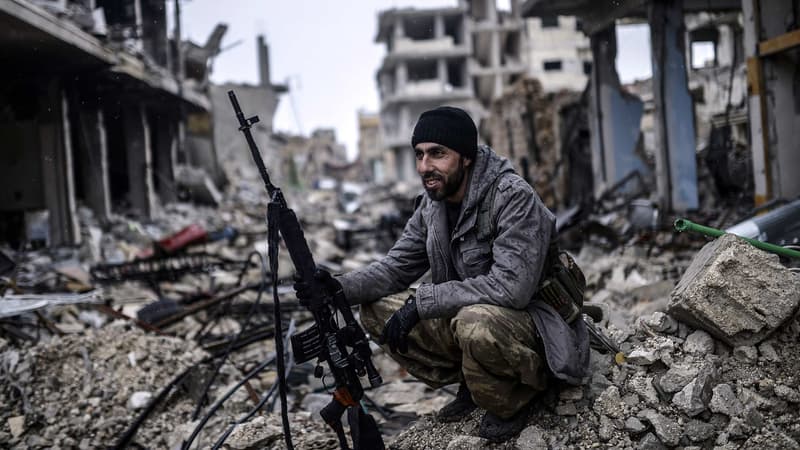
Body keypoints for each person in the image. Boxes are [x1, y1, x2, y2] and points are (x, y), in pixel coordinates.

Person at [295, 106, 589, 442]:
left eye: (437, 154)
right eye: (419, 155)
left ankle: (517, 396)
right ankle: (476, 381)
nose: (425, 167)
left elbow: (513, 288)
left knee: (475, 322)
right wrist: (337, 287)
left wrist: (424, 301)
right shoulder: (433, 204)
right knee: (376, 310)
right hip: (478, 320)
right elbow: (395, 268)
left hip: (537, 326)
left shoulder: (512, 197)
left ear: (465, 157)